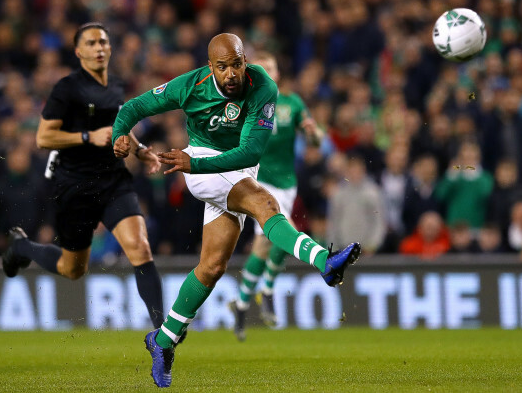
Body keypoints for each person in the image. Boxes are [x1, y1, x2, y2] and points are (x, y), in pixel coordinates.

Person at [112, 33, 361, 388]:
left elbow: (250, 153)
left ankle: (163, 340)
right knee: (265, 204)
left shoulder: (263, 87)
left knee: (213, 267)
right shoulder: (189, 86)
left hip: (238, 168)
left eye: (237, 64)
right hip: (199, 161)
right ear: (210, 66)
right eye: (223, 67)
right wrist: (119, 137)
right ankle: (325, 261)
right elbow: (132, 108)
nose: (231, 74)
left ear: (246, 61)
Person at [1, 23, 168, 333]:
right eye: (91, 43)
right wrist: (88, 136)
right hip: (75, 185)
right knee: (72, 268)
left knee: (140, 247)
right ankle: (22, 248)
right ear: (79, 52)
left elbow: (118, 127)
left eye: (103, 41)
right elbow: (43, 137)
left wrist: (141, 150)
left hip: (113, 181)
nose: (99, 47)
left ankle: (163, 335)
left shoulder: (115, 87)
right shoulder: (66, 89)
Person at [227, 51, 323, 341]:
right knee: (282, 231)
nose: (266, 73)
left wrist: (312, 132)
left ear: (278, 74)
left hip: (287, 183)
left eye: (271, 68)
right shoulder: (247, 103)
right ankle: (266, 289)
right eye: (261, 69)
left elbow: (316, 140)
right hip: (259, 181)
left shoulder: (293, 103)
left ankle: (243, 304)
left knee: (267, 244)